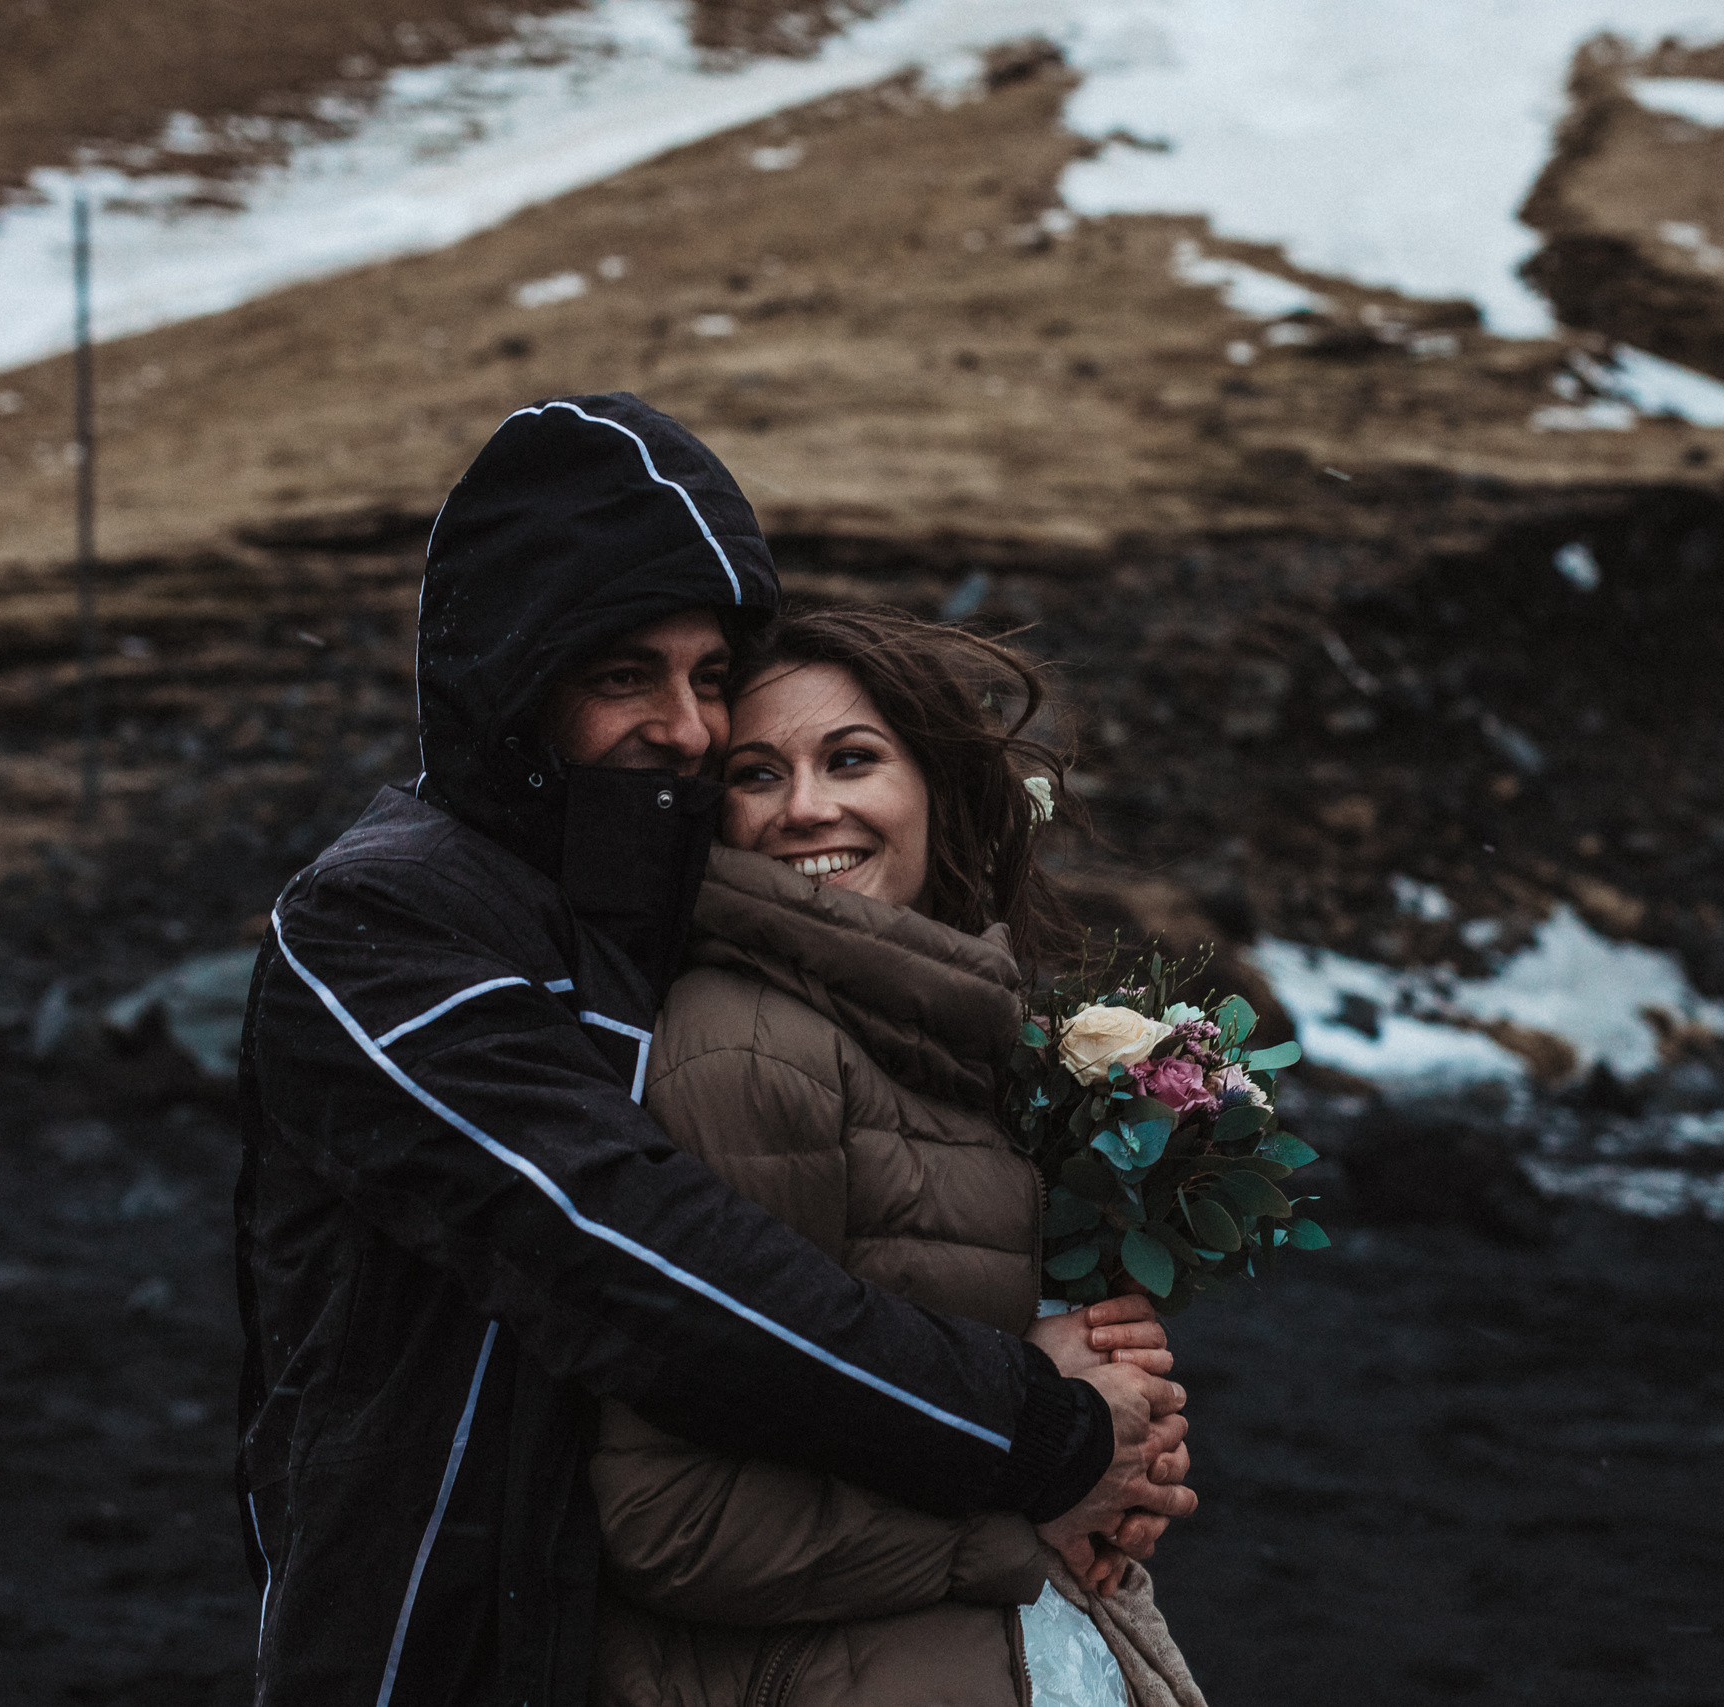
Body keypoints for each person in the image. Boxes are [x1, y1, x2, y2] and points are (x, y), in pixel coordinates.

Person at [234, 395, 1192, 1707]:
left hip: (636, 1637)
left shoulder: (649, 892)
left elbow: (838, 1227)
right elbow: (618, 1238)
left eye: (708, 676)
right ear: (512, 677)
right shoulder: (378, 918)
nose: (685, 727)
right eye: (623, 672)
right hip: (431, 1626)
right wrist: (1039, 1431)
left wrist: (1099, 1376)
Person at [585, 606, 1206, 1707]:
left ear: (935, 786)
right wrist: (1036, 1493)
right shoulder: (743, 1047)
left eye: (851, 760)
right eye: (755, 774)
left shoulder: (933, 1030)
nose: (806, 809)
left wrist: (1123, 1437)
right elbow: (673, 1527)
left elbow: (877, 1366)